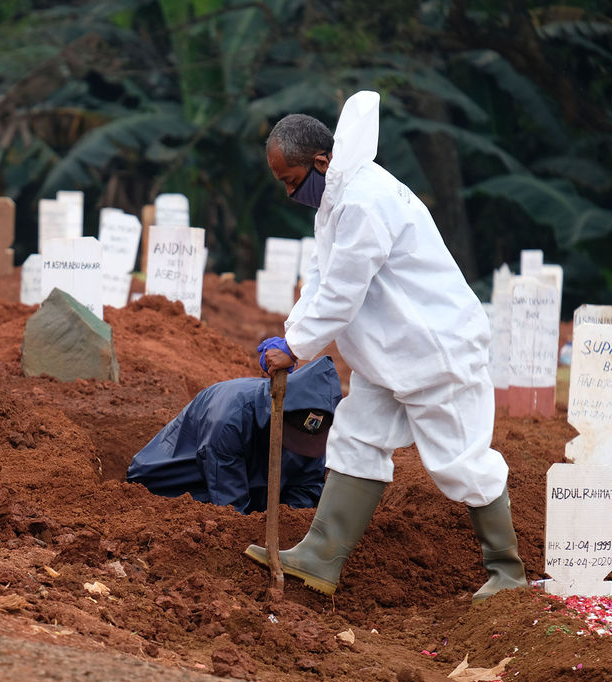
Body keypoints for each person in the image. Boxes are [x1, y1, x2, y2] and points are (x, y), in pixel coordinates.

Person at [244, 91, 527, 602]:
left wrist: (298, 346)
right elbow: (321, 278)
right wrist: (291, 333)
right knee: (356, 437)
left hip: (433, 349)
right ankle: (320, 556)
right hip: (389, 353)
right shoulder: (334, 202)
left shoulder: (364, 200)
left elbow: (344, 291)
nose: (289, 194)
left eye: (290, 182)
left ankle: (507, 573)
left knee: (460, 460)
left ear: (321, 161)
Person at [127, 356, 341, 514]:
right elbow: (229, 505)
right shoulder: (230, 418)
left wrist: (288, 520)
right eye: (294, 436)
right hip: (176, 482)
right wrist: (249, 530)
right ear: (280, 414)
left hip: (250, 483)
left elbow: (307, 485)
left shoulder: (316, 430)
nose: (301, 446)